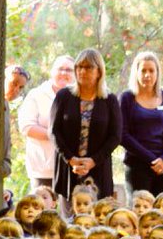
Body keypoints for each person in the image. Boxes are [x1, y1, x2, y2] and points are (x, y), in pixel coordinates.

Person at [49, 48, 121, 202]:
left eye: (88, 67)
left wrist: (93, 161)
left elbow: (115, 136)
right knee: (68, 220)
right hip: (69, 168)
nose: (82, 71)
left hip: (98, 168)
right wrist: (70, 158)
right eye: (79, 67)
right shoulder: (64, 96)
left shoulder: (109, 100)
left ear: (99, 71)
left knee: (96, 220)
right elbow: (54, 131)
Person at [120, 50, 163, 195]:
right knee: (141, 211)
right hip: (138, 166)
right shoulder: (127, 98)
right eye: (143, 71)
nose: (147, 75)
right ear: (136, 72)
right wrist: (151, 159)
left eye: (151, 70)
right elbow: (122, 134)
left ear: (157, 73)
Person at [19, 55, 75, 191]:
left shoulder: (79, 96)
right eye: (60, 69)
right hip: (43, 169)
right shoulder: (36, 95)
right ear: (51, 72)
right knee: (42, 210)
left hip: (71, 167)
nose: (64, 73)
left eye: (69, 70)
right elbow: (27, 127)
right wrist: (57, 137)